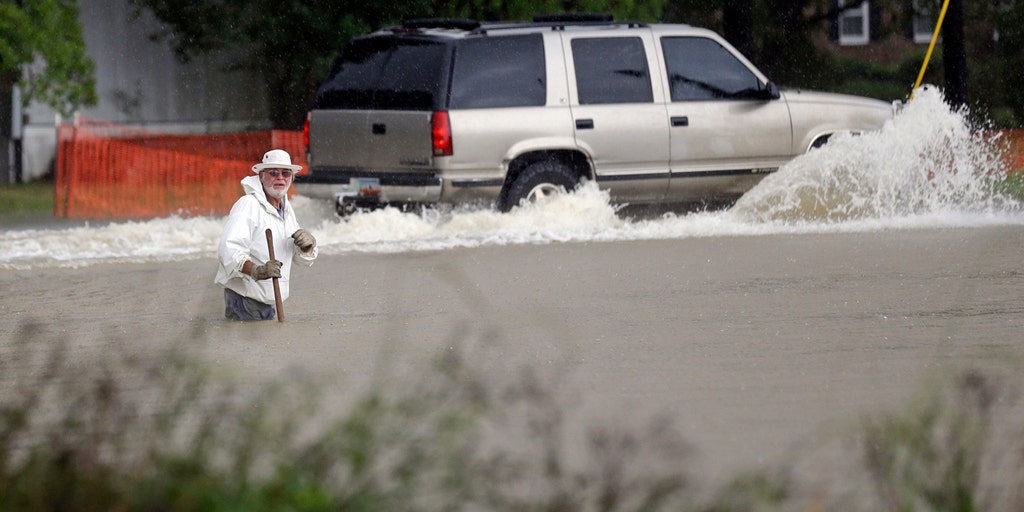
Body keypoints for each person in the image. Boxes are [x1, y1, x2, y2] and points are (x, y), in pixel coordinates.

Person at [215, 149, 318, 321]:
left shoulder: (286, 210)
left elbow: (301, 259)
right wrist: (257, 270)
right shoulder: (248, 205)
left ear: (292, 178)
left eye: (286, 173)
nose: (280, 177)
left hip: (267, 302)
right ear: (261, 176)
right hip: (245, 301)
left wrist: (307, 247)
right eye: (273, 173)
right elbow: (228, 251)